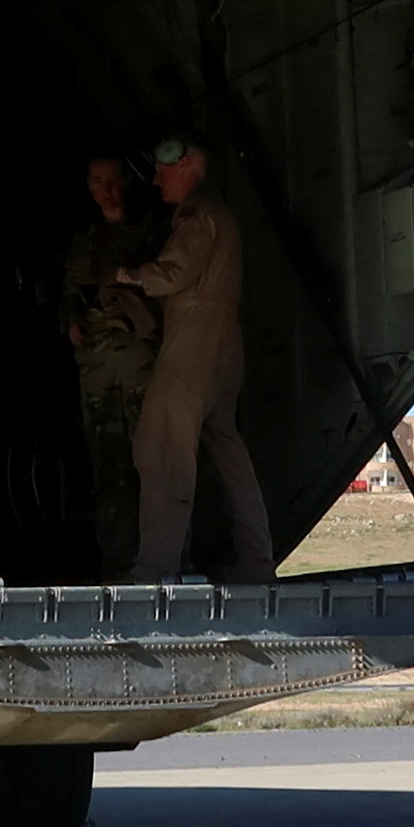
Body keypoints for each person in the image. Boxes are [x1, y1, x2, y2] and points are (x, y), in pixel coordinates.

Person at [119, 133, 274, 581]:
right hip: (225, 351)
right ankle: (257, 561)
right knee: (228, 453)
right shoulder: (221, 213)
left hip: (193, 349)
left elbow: (174, 274)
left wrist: (126, 275)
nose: (155, 179)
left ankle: (155, 568)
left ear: (187, 164)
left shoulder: (196, 212)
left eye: (162, 169)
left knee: (161, 448)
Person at [58, 154, 165, 577]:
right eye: (97, 181)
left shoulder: (153, 231)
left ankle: (159, 557)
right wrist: (70, 321)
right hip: (99, 367)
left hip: (141, 361)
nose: (107, 189)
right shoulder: (84, 239)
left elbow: (167, 282)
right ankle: (118, 561)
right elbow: (67, 293)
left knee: (154, 462)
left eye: (114, 180)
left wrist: (117, 278)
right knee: (110, 466)